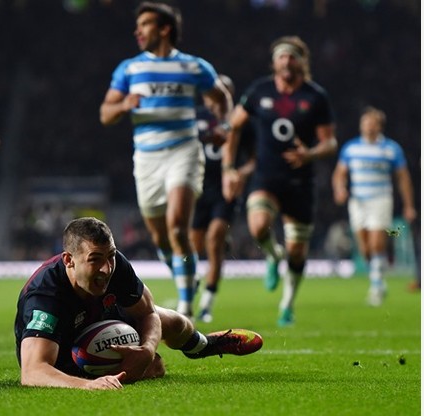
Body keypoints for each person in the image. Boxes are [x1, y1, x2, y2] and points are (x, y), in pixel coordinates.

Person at [14, 217, 263, 390]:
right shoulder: (46, 295)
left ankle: (205, 345)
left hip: (98, 323)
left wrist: (146, 350)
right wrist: (89, 384)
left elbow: (148, 313)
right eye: (95, 259)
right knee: (154, 370)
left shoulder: (116, 266)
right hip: (66, 355)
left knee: (174, 322)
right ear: (69, 260)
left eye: (110, 256)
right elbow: (33, 371)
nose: (106, 268)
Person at [99, 2, 233, 318]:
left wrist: (222, 127)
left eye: (144, 24)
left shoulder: (194, 67)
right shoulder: (130, 69)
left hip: (183, 152)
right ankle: (186, 275)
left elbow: (221, 98)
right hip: (147, 158)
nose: (137, 30)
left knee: (177, 225)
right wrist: (123, 106)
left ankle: (185, 303)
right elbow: (105, 113)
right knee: (160, 236)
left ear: (164, 29)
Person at [221, 36, 338, 327]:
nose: (287, 61)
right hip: (266, 177)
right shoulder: (259, 91)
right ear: (274, 62)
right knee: (258, 225)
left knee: (298, 250)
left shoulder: (315, 97)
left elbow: (330, 143)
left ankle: (287, 304)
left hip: (301, 182)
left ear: (302, 62)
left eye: (292, 56)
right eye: (282, 56)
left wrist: (309, 154)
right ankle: (274, 255)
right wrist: (228, 168)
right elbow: (233, 128)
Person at [332, 106, 417, 306]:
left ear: (379, 126)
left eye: (373, 123)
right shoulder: (351, 148)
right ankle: (377, 278)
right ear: (361, 125)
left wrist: (409, 205)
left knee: (377, 243)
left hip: (380, 199)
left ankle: (377, 286)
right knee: (365, 249)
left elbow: (403, 178)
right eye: (366, 123)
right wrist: (340, 189)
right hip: (358, 202)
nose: (369, 127)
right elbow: (339, 174)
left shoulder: (391, 149)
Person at [190, 75, 255, 323]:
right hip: (198, 189)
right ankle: (191, 288)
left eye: (225, 92)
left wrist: (240, 173)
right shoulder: (195, 118)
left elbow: (253, 159)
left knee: (214, 239)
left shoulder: (241, 122)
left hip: (226, 190)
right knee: (194, 246)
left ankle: (207, 302)